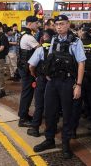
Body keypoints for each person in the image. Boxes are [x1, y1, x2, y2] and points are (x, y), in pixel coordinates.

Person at [33, 15, 86, 160]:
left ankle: (65, 144)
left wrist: (78, 85)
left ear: (68, 25)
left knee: (68, 114)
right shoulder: (54, 39)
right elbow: (49, 58)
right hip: (53, 82)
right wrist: (48, 75)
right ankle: (49, 139)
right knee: (50, 111)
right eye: (56, 24)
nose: (59, 27)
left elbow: (81, 63)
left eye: (62, 24)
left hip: (68, 82)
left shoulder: (76, 42)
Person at [27, 29, 55, 137]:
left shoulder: (40, 49)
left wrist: (34, 74)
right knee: (52, 106)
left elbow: (31, 65)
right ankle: (52, 128)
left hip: (42, 79)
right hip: (54, 81)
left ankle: (35, 128)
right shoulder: (58, 49)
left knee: (39, 105)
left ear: (45, 37)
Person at [17, 16, 40, 127]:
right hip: (27, 69)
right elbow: (39, 49)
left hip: (22, 67)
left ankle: (24, 115)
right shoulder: (28, 37)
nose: (38, 25)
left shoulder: (23, 34)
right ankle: (22, 118)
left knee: (27, 93)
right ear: (30, 24)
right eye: (36, 23)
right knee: (27, 93)